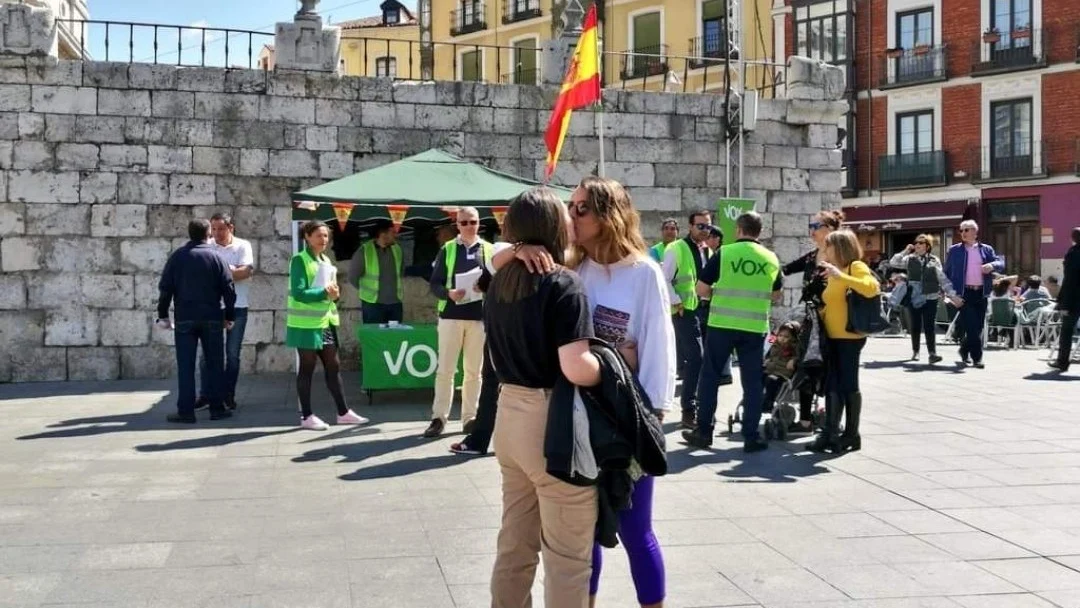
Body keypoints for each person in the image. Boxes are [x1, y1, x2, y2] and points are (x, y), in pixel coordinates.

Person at [557, 177, 674, 608]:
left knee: (634, 527)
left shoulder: (644, 273)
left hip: (629, 415)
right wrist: (618, 356)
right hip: (577, 413)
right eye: (570, 207)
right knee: (583, 527)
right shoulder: (574, 269)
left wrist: (657, 413)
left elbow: (658, 343)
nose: (572, 215)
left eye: (581, 208)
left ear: (608, 215)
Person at [484, 187, 602, 608]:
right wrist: (613, 362)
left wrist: (515, 249)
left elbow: (492, 258)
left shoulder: (500, 281)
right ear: (553, 227)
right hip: (549, 422)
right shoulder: (564, 284)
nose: (573, 219)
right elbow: (576, 367)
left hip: (509, 416)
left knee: (515, 544)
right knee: (568, 556)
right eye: (565, 214)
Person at [682, 211, 783, 453]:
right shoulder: (771, 258)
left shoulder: (724, 253)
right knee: (752, 383)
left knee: (710, 377)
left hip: (722, 325)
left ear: (738, 230)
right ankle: (750, 436)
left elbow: (701, 289)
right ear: (759, 231)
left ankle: (704, 432)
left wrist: (721, 294)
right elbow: (777, 294)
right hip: (753, 328)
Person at [286, 220, 369, 431]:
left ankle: (343, 412)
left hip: (324, 322)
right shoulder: (299, 260)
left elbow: (328, 293)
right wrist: (325, 293)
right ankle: (306, 415)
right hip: (305, 325)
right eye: (318, 236)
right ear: (307, 237)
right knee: (307, 368)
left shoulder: (325, 260)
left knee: (334, 365)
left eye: (325, 236)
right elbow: (299, 292)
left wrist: (334, 295)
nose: (323, 240)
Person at [156, 219, 236, 424]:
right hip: (212, 317)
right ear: (208, 234)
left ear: (189, 233)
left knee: (186, 366)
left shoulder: (177, 257)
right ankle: (217, 408)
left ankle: (186, 411)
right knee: (215, 364)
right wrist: (229, 316)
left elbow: (166, 289)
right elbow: (229, 290)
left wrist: (163, 314)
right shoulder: (217, 257)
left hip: (185, 318)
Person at [809, 230, 881, 454]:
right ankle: (830, 432)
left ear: (839, 248)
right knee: (832, 385)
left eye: (828, 246)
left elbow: (872, 288)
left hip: (849, 337)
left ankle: (851, 434)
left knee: (848, 384)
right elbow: (833, 303)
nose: (825, 250)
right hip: (831, 336)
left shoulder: (855, 266)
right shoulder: (833, 271)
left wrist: (841, 277)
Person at [425, 206, 492, 438]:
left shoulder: (490, 250)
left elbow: (499, 284)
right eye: (464, 223)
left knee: (474, 372)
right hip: (451, 317)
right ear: (457, 225)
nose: (468, 226)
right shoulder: (448, 249)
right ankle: (439, 418)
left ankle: (469, 418)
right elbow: (434, 284)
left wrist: (484, 287)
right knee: (445, 370)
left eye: (472, 222)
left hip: (478, 318)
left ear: (478, 223)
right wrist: (448, 293)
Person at [780, 209, 843, 433]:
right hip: (810, 321)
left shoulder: (840, 259)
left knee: (833, 371)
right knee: (806, 366)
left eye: (816, 227)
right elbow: (784, 270)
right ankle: (806, 421)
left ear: (831, 230)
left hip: (832, 323)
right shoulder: (811, 256)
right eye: (811, 226)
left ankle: (833, 420)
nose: (811, 231)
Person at [192, 213, 254, 412]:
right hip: (213, 307)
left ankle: (228, 394)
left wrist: (218, 274)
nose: (216, 233)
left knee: (232, 354)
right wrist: (229, 272)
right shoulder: (207, 246)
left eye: (221, 229)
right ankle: (206, 394)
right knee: (206, 354)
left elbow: (246, 272)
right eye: (214, 229)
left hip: (238, 306)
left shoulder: (242, 246)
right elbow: (201, 274)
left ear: (231, 228)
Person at [662, 208, 714, 430]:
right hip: (686, 311)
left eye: (708, 226)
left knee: (702, 360)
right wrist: (677, 303)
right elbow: (664, 280)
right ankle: (688, 408)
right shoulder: (677, 248)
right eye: (700, 226)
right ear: (690, 226)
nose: (705, 230)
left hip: (705, 311)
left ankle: (697, 406)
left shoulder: (708, 251)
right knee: (696, 358)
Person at [888, 235, 961, 364]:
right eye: (916, 243)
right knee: (915, 325)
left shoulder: (934, 260)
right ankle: (915, 351)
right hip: (914, 297)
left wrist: (952, 294)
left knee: (929, 326)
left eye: (921, 243)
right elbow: (893, 262)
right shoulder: (909, 259)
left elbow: (942, 278)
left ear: (927, 246)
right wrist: (905, 250)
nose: (917, 245)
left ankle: (932, 354)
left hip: (931, 297)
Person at [943, 220, 1004, 368]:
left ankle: (964, 350)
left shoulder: (986, 249)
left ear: (975, 232)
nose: (963, 233)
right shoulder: (955, 250)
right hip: (964, 293)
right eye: (961, 231)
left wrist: (992, 265)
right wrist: (951, 295)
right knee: (971, 326)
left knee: (978, 328)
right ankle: (977, 358)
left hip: (981, 293)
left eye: (966, 230)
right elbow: (946, 274)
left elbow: (1001, 263)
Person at [348, 220, 404, 324]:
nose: (397, 235)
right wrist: (366, 291)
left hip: (395, 303)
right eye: (393, 232)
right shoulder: (364, 251)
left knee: (395, 336)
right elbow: (353, 277)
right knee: (373, 337)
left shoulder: (397, 249)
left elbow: (401, 271)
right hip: (372, 304)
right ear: (383, 234)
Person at [1050, 227, 1080, 372]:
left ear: (1073, 238)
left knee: (1067, 331)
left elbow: (1069, 280)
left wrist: (1063, 302)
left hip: (1074, 300)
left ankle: (1062, 362)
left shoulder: (1073, 254)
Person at [761, 321, 800, 414]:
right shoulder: (774, 341)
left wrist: (794, 360)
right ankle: (755, 399)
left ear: (793, 338)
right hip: (770, 369)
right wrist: (766, 359)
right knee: (757, 377)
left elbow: (799, 356)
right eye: (780, 335)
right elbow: (768, 345)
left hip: (782, 373)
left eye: (786, 337)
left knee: (771, 381)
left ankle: (768, 404)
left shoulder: (794, 346)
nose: (782, 338)